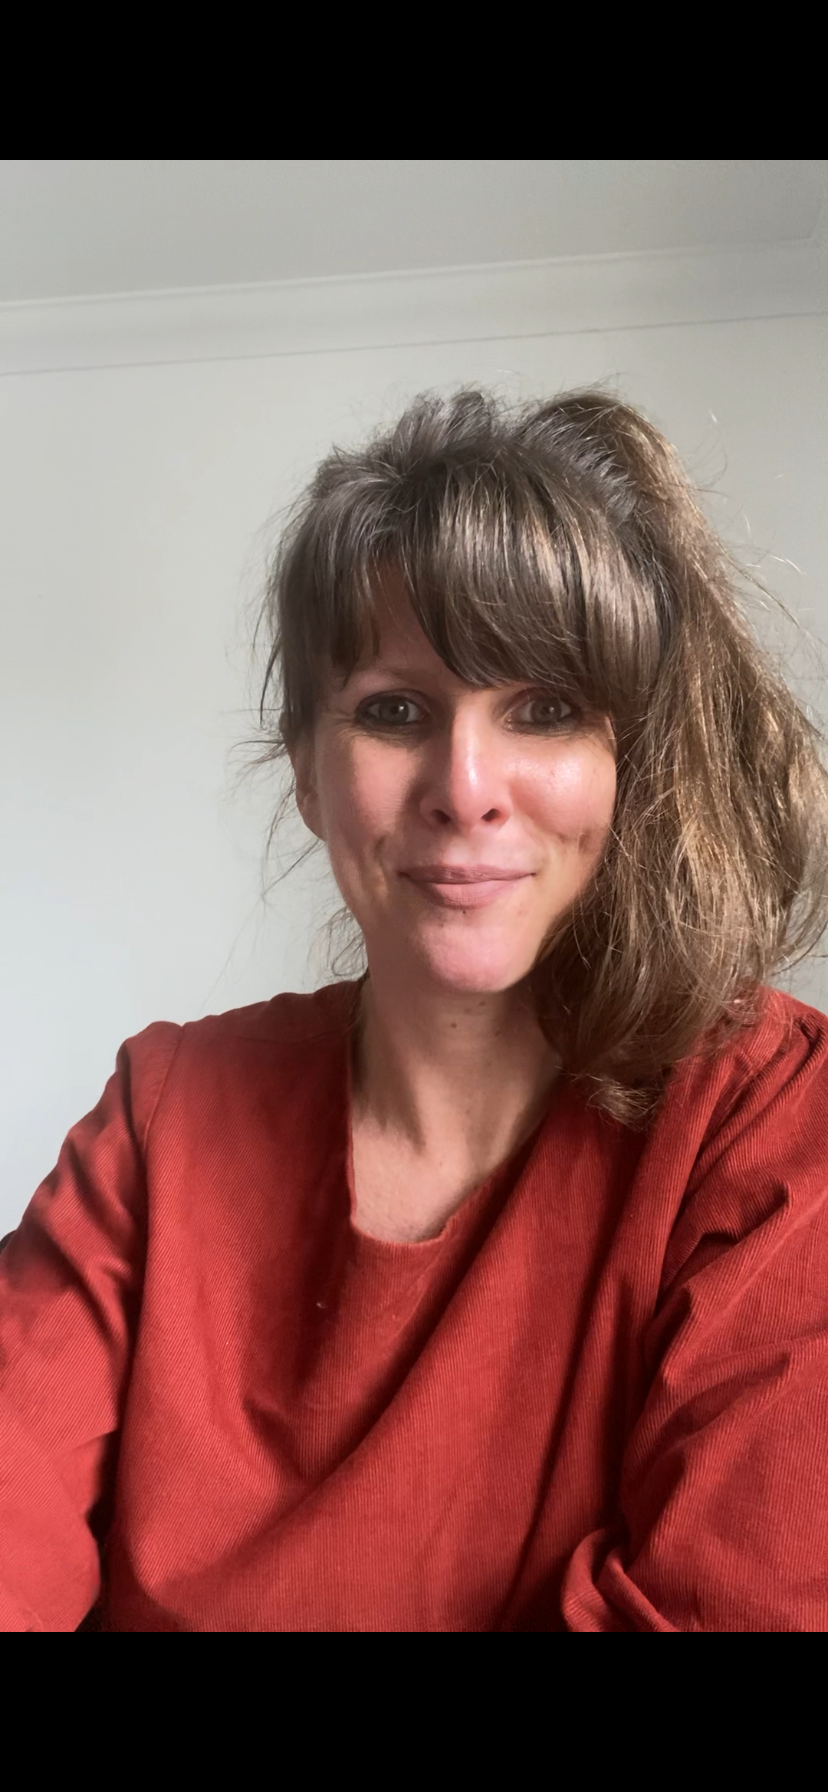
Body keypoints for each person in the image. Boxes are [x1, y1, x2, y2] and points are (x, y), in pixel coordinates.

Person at [2, 387, 828, 1633]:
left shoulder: (767, 1115)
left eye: (543, 708)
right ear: (305, 767)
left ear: (627, 759)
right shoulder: (162, 1115)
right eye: (396, 710)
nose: (465, 786)